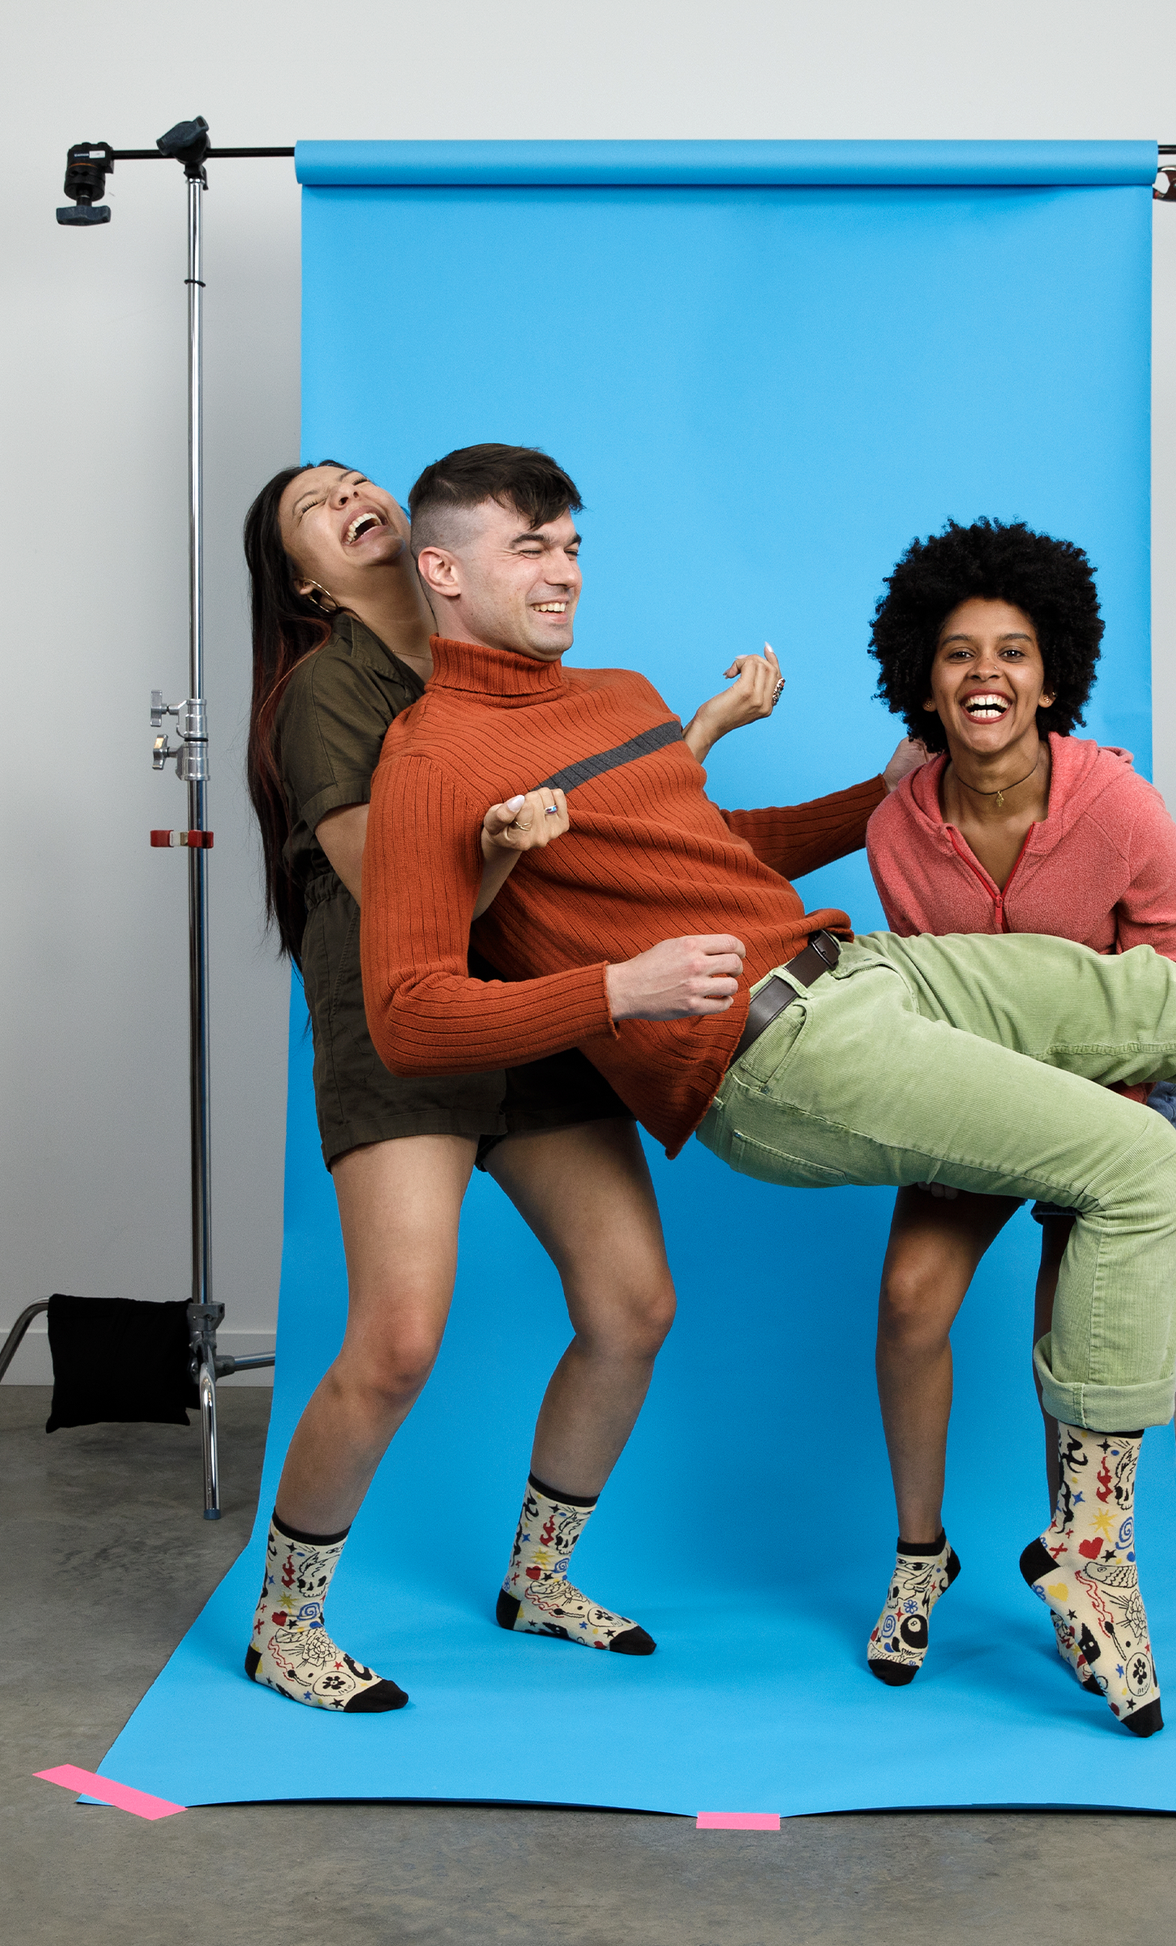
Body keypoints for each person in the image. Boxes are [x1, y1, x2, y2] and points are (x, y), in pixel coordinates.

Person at [361, 441, 1176, 1739]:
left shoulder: (614, 694)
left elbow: (720, 848)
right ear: (443, 569)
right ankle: (1090, 1548)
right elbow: (408, 1013)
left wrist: (858, 797)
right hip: (759, 1055)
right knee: (1136, 1161)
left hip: (860, 971)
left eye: (573, 544)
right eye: (529, 547)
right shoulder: (431, 759)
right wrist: (615, 991)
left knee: (1162, 1002)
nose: (564, 572)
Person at [238, 455, 794, 1715]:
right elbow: (401, 903)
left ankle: (538, 1579)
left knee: (632, 1306)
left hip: (541, 1002)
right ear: (310, 581)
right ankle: (285, 1623)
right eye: (314, 509)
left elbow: (606, 823)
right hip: (404, 1023)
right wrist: (492, 847)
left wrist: (694, 741)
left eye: (354, 478)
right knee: (396, 1339)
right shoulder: (329, 691)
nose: (348, 497)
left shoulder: (496, 650)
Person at [858, 517, 1176, 1687]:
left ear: (1052, 672)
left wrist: (1093, 1122)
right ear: (923, 674)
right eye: (958, 652)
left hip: (1116, 1094)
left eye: (1011, 650)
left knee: (1077, 1344)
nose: (985, 673)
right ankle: (919, 1555)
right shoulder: (896, 826)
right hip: (970, 1091)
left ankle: (1088, 1571)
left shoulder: (1119, 809)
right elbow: (918, 994)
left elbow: (1174, 990)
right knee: (910, 1299)